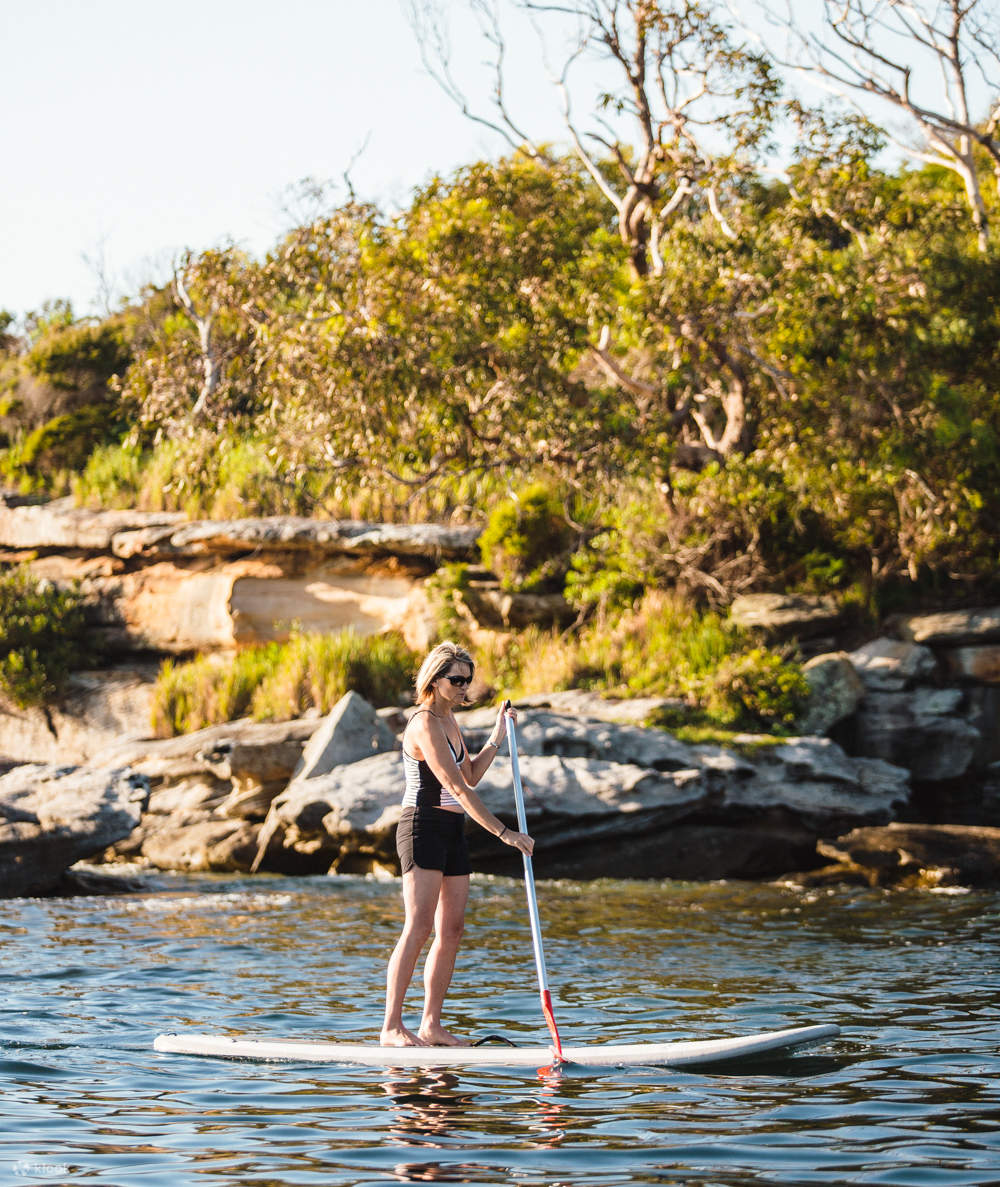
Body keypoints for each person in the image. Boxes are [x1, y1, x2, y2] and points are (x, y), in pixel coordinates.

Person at [381, 641, 534, 1048]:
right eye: (457, 680)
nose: (465, 687)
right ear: (434, 679)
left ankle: (430, 1024)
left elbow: (471, 774)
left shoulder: (450, 721)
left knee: (451, 929)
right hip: (422, 826)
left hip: (452, 831)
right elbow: (455, 786)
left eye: (468, 680)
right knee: (418, 927)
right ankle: (392, 1027)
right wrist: (506, 834)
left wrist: (498, 736)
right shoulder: (425, 723)